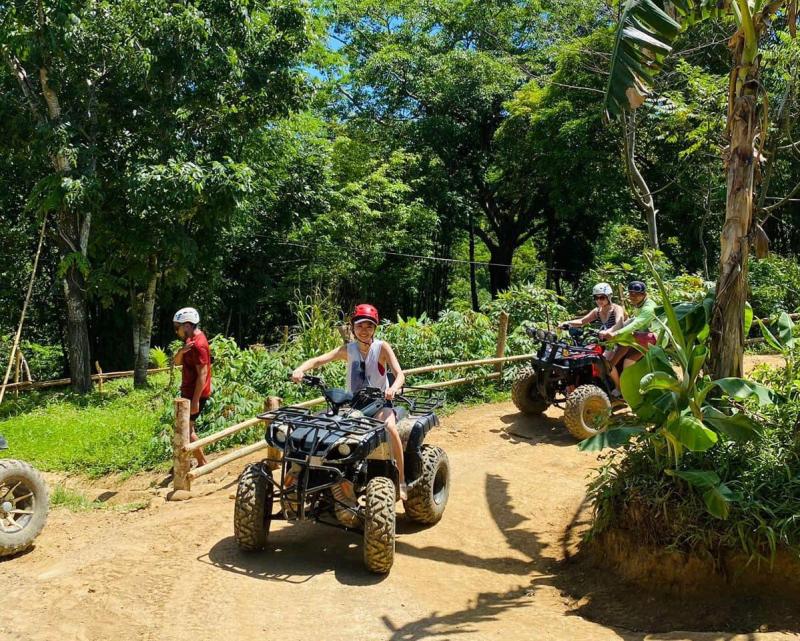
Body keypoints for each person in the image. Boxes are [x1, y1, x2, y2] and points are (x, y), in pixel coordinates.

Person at [291, 304, 408, 500]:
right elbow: (319, 360)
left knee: (390, 428)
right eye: (360, 326)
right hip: (354, 404)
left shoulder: (382, 347)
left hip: (380, 402)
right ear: (353, 328)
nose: (364, 330)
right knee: (324, 425)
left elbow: (400, 374)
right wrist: (300, 369)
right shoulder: (348, 349)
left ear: (375, 328)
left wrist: (393, 388)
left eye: (369, 326)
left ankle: (402, 479)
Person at [599, 281, 658, 397]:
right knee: (615, 355)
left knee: (627, 362)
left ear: (644, 294)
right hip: (639, 334)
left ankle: (628, 391)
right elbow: (632, 320)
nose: (633, 297)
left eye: (637, 294)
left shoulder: (648, 308)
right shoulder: (638, 304)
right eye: (631, 294)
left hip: (653, 337)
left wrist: (616, 333)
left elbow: (636, 324)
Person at [173, 307, 212, 468]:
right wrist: (181, 352)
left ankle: (203, 463)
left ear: (187, 325)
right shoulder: (190, 342)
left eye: (178, 327)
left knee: (187, 429)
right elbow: (176, 362)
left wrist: (195, 400)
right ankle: (192, 460)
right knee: (187, 428)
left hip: (196, 394)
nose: (176, 331)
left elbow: (203, 374)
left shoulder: (198, 345)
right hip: (188, 391)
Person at [559, 282, 626, 335]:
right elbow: (581, 321)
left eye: (602, 297)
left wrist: (607, 332)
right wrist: (567, 322)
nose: (598, 300)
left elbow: (619, 324)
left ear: (609, 296)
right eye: (596, 298)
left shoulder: (617, 309)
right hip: (602, 342)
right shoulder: (597, 311)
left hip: (616, 342)